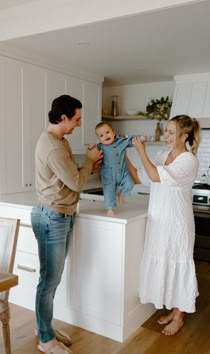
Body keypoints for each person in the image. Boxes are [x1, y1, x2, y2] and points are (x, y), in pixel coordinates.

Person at [31, 95, 103, 354]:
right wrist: (90, 162)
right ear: (63, 118)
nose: (78, 124)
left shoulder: (59, 141)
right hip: (52, 217)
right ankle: (46, 339)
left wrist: (85, 168)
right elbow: (77, 183)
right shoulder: (54, 147)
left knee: (51, 279)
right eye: (76, 119)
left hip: (59, 214)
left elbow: (69, 177)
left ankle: (43, 327)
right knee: (49, 281)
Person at [127, 115, 200, 336]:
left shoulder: (189, 160)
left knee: (178, 262)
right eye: (166, 131)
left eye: (171, 132)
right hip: (159, 220)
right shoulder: (161, 155)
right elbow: (140, 178)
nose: (166, 136)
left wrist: (141, 150)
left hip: (177, 222)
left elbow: (155, 176)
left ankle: (179, 315)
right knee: (165, 261)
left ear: (184, 136)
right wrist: (122, 155)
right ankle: (173, 310)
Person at [95, 121, 146, 216]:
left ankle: (121, 193)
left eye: (107, 132)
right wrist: (90, 149)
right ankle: (110, 208)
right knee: (108, 192)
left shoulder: (120, 142)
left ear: (113, 133)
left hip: (123, 173)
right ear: (99, 139)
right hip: (108, 176)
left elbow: (131, 140)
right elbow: (93, 155)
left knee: (130, 183)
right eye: (101, 135)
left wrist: (140, 139)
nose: (105, 136)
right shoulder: (100, 147)